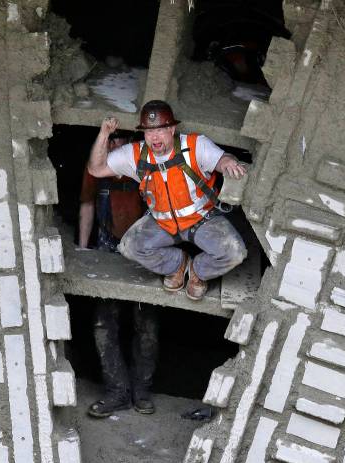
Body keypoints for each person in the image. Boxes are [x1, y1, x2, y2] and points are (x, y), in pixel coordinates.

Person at [86, 100, 248, 300]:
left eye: (161, 130)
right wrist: (104, 134)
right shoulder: (135, 155)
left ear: (172, 129)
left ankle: (198, 272)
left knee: (235, 253)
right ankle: (178, 265)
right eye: (148, 131)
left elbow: (221, 158)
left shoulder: (195, 145)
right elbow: (96, 169)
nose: (154, 137)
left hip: (201, 218)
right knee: (129, 246)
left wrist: (228, 163)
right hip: (161, 222)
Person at [81, 131, 160, 418]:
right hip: (106, 252)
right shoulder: (95, 170)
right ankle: (117, 392)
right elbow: (87, 204)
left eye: (122, 140)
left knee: (146, 326)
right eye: (111, 140)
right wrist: (82, 249)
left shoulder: (149, 170)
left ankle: (142, 391)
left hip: (143, 257)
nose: (115, 146)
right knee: (103, 324)